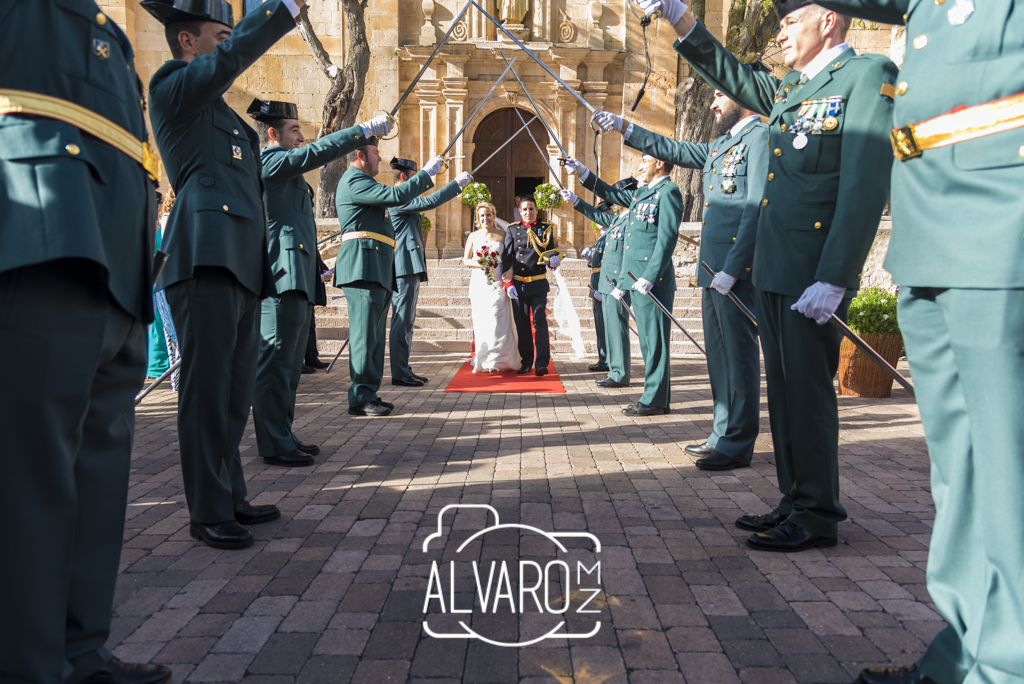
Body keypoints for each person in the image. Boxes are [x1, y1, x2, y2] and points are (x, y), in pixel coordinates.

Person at [805, 1, 1024, 683]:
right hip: (929, 231)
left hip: (1001, 222)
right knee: (961, 472)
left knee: (1007, 467)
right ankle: (972, 648)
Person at [636, 0, 896, 550]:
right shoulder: (791, 89)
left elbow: (864, 185)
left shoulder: (866, 75)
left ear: (828, 20)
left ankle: (818, 512)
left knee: (808, 394)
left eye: (790, 21)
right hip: (776, 267)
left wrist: (836, 275)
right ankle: (794, 497)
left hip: (813, 273)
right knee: (782, 391)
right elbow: (729, 72)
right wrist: (679, 18)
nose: (780, 33)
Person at [0, 1, 172, 682]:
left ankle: (80, 652)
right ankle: (28, 664)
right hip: (40, 240)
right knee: (31, 478)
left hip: (118, 264)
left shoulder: (110, 38)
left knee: (98, 478)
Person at [147, 0, 323, 550]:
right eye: (221, 36)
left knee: (232, 392)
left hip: (243, 262)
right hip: (204, 256)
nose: (230, 46)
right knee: (206, 392)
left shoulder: (224, 114)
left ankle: (229, 495)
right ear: (187, 41)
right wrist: (280, 12)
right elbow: (225, 64)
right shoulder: (173, 87)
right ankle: (206, 509)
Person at [594, 89, 768, 471]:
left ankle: (738, 442)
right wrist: (625, 127)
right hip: (712, 271)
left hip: (734, 272)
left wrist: (735, 267)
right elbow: (675, 149)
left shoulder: (760, 139)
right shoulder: (721, 144)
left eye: (720, 95)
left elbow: (756, 208)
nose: (713, 104)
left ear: (743, 95)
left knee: (739, 360)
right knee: (719, 361)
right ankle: (721, 433)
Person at [248, 98, 382, 467]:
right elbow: (316, 153)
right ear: (273, 133)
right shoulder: (271, 160)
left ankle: (283, 433)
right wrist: (362, 130)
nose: (301, 136)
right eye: (294, 130)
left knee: (290, 366)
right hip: (281, 276)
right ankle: (273, 442)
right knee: (276, 363)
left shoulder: (287, 168)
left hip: (298, 274)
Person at [567, 155, 683, 416]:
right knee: (648, 344)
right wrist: (583, 173)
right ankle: (656, 398)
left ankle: (655, 399)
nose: (639, 167)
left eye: (644, 161)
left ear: (660, 164)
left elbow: (667, 239)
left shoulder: (668, 192)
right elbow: (611, 194)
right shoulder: (642, 193)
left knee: (655, 343)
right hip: (636, 280)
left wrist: (650, 276)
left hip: (652, 282)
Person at [334, 140, 442, 416]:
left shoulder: (365, 182)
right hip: (362, 265)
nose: (380, 158)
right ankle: (360, 396)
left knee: (373, 338)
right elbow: (396, 196)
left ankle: (369, 392)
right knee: (364, 336)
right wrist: (427, 174)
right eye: (375, 153)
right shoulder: (355, 180)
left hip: (376, 267)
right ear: (360, 155)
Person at [389, 157, 472, 386]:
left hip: (410, 266)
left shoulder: (403, 198)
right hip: (403, 266)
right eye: (415, 178)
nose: (419, 184)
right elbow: (431, 201)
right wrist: (456, 185)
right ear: (404, 178)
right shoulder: (398, 198)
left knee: (407, 320)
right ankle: (399, 371)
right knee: (401, 320)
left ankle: (403, 367)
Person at [501, 197, 561, 376]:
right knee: (522, 324)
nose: (528, 212)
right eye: (525, 209)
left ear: (537, 210)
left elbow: (549, 253)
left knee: (539, 321)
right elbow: (507, 257)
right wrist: (508, 284)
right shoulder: (512, 229)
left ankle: (541, 363)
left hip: (538, 283)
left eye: (531, 209)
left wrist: (553, 263)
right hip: (519, 284)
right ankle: (526, 362)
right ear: (519, 211)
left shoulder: (545, 229)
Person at [463, 202, 522, 373]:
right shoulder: (473, 236)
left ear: (494, 216)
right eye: (482, 215)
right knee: (483, 321)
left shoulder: (503, 234)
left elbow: (511, 257)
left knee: (498, 319)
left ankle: (499, 359)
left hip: (498, 284)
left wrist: (510, 271)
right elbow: (466, 260)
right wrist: (481, 263)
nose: (485, 218)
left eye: (488, 214)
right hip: (480, 283)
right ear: (478, 218)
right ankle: (485, 358)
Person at [303, 253, 332, 372]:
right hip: (301, 290)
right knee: (300, 328)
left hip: (310, 292)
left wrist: (324, 270)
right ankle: (297, 363)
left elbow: (315, 259)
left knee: (310, 327)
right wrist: (316, 277)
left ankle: (312, 358)